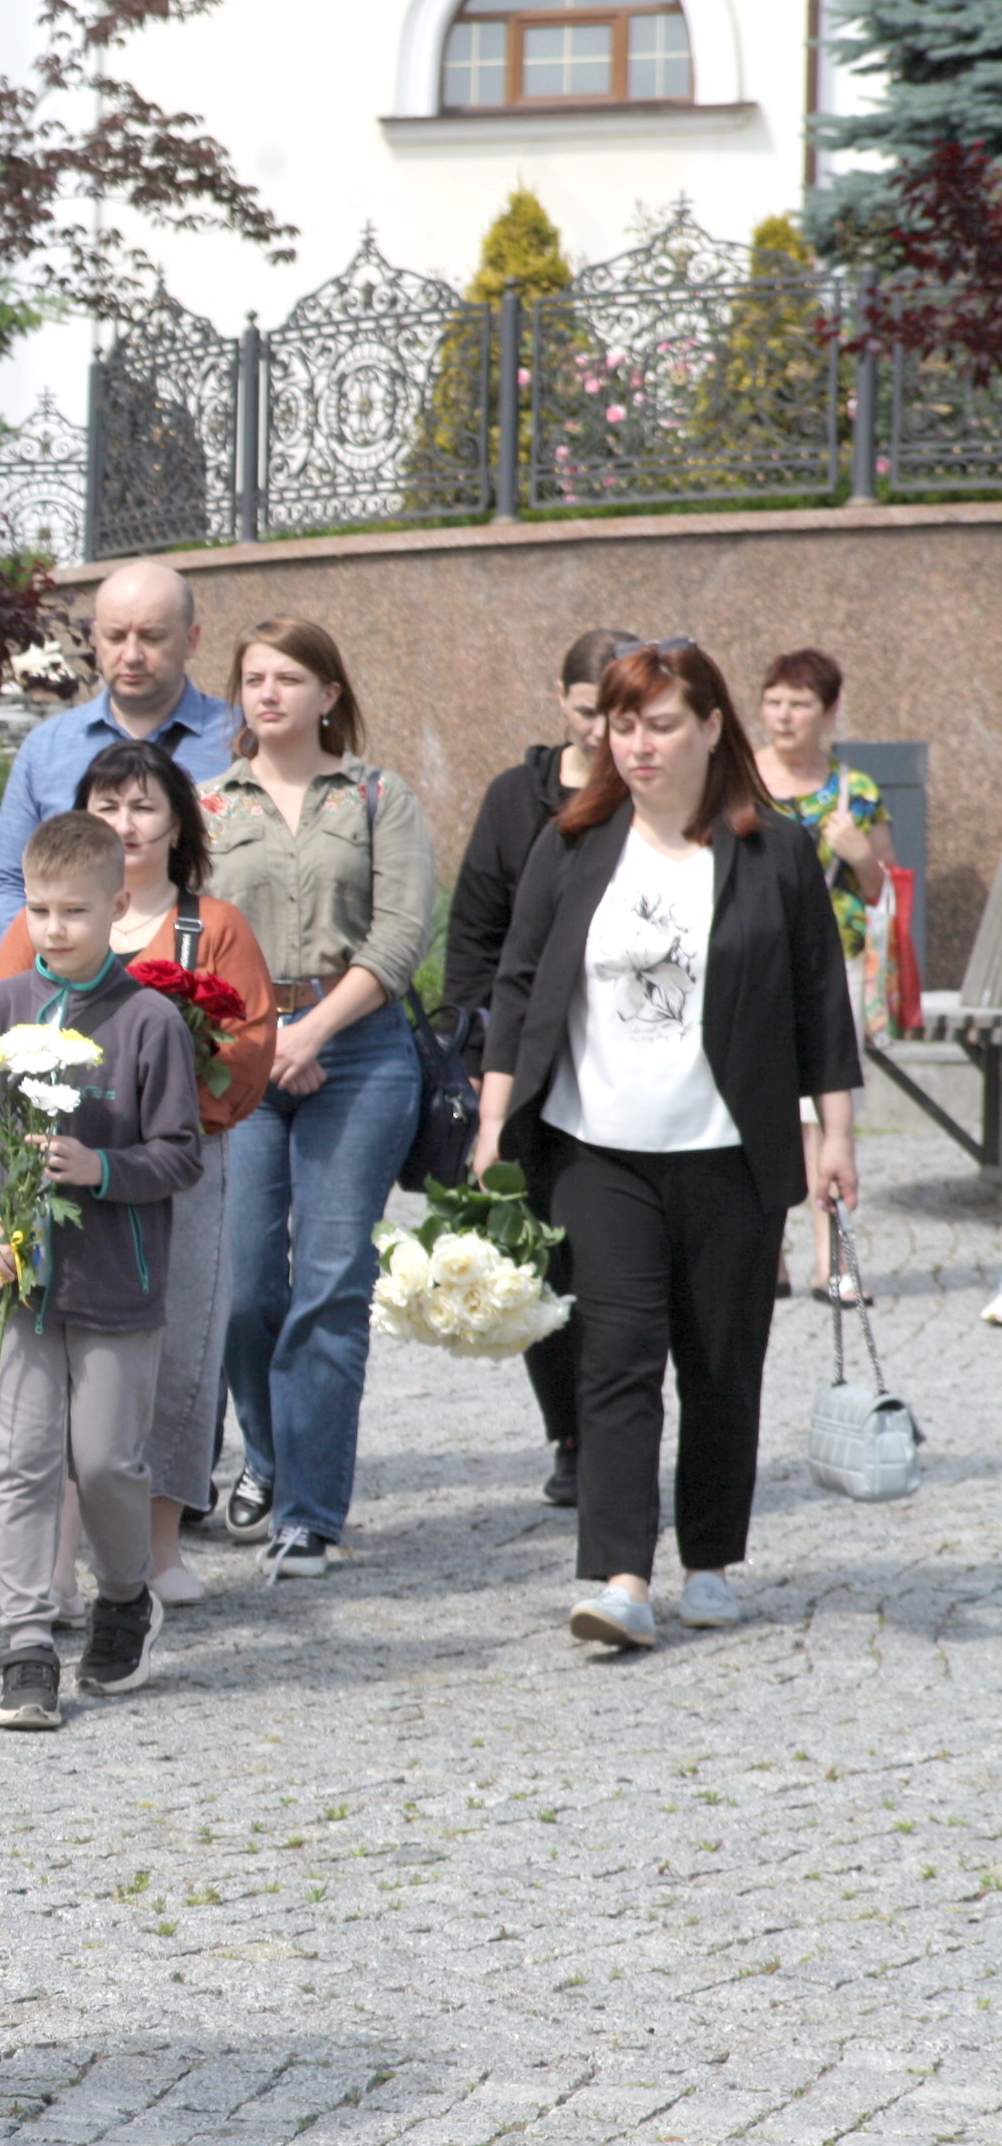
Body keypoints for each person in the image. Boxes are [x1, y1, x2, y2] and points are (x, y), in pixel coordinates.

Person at [477, 638, 859, 1650]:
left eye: (660, 724)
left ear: (711, 727)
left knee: (723, 1360)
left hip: (730, 1148)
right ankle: (621, 1577)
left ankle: (711, 1560)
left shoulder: (774, 851)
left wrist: (835, 1136)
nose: (638, 744)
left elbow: (821, 1001)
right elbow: (519, 985)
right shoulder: (573, 841)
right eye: (622, 724)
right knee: (616, 1355)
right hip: (596, 1148)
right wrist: (493, 1122)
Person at [0, 811, 206, 1730]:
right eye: (41, 909)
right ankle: (25, 1646)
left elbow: (181, 1154)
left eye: (76, 912)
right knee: (20, 1460)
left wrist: (103, 1168)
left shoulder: (149, 1022)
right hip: (21, 1286)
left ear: (117, 907)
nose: (55, 929)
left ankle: (125, 1597)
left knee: (104, 1462)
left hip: (117, 1284)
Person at [4, 743, 276, 1605]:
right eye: (107, 804)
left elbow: (249, 1045)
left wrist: (159, 1089)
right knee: (56, 1361)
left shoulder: (213, 927)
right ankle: (55, 1561)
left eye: (144, 806)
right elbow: (1, 1031)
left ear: (177, 824)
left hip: (172, 1165)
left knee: (179, 1346)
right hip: (54, 1168)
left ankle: (158, 1549)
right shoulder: (37, 927)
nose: (124, 823)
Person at [204, 618, 433, 1578]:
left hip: (361, 1053)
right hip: (238, 1055)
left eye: (289, 678)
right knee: (243, 1287)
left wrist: (311, 1034)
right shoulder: (208, 804)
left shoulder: (378, 797)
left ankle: (308, 1510)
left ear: (329, 694)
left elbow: (401, 933)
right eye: (254, 678)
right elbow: (191, 935)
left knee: (330, 1285)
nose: (269, 693)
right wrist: (261, 1039)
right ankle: (266, 1453)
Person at [445, 627, 633, 1507]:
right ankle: (572, 1435)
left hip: (626, 1060)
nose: (601, 731)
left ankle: (621, 1427)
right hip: (527, 1067)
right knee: (544, 1261)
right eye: (588, 711)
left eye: (619, 712)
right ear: (561, 701)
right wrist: (477, 1058)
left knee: (620, 1265)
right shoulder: (515, 800)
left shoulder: (657, 795)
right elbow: (476, 938)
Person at [0, 562, 237, 942]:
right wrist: (34, 961)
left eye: (151, 637)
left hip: (205, 965)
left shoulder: (241, 741)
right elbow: (8, 879)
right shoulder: (47, 748)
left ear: (191, 640)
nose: (131, 655)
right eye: (116, 637)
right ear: (95, 640)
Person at [753, 648, 882, 1304]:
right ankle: (766, 1255)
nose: (784, 716)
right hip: (755, 965)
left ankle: (831, 1259)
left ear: (829, 713)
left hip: (832, 965)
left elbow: (879, 887)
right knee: (759, 1101)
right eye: (774, 702)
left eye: (799, 704)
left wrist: (859, 855)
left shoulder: (857, 791)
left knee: (825, 1111)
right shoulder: (738, 781)